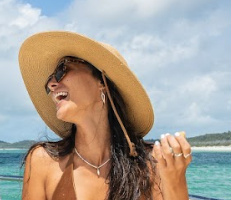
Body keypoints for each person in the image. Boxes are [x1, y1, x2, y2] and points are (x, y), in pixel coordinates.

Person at [18, 31, 192, 200]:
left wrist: (174, 180)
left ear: (102, 81)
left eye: (62, 70)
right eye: (49, 81)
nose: (51, 84)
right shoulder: (42, 160)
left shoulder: (150, 163)